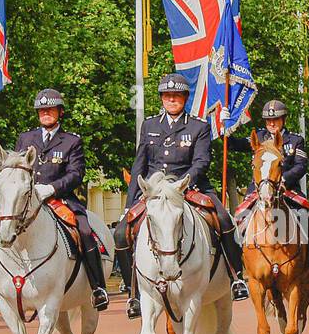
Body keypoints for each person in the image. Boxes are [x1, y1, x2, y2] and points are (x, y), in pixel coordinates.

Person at [115, 73, 250, 319]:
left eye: (176, 96)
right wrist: (129, 203)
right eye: (167, 96)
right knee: (120, 232)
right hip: (155, 191)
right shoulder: (150, 125)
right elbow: (139, 165)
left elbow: (201, 162)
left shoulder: (199, 126)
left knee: (224, 219)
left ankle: (236, 277)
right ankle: (132, 291)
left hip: (190, 186)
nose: (172, 100)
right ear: (162, 99)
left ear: (185, 98)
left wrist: (181, 184)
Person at [15, 87, 111, 311]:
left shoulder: (71, 141)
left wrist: (52, 188)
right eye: (42, 110)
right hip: (28, 201)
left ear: (60, 112)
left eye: (50, 109)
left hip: (60, 199)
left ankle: (98, 287)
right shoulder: (25, 138)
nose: (45, 113)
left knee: (85, 231)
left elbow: (76, 174)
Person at [228, 98, 309, 279]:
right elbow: (233, 145)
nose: (271, 123)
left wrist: (283, 179)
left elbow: (301, 166)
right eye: (268, 121)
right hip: (258, 192)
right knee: (237, 223)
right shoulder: (259, 138)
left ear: (283, 119)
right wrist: (226, 128)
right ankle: (235, 269)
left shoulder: (295, 140)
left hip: (287, 190)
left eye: (275, 120)